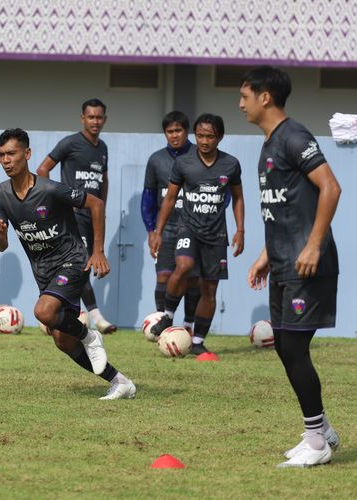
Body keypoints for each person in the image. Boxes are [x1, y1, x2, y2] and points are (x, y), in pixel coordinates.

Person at [240, 66, 341, 468]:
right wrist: (266, 256)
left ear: (266, 97)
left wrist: (314, 244)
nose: (240, 103)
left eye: (245, 95)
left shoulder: (295, 136)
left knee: (295, 347)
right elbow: (281, 207)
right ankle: (321, 430)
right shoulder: (269, 144)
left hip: (307, 265)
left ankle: (317, 443)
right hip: (282, 264)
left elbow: (331, 187)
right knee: (285, 346)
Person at [0, 128, 136, 400]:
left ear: (27, 154)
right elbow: (2, 246)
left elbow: (96, 204)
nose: (6, 160)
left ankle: (90, 335)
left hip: (73, 260)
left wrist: (98, 251)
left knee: (44, 312)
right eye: (1, 155)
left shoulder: (49, 188)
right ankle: (120, 381)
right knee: (62, 340)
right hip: (44, 273)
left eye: (12, 153)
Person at [149, 114, 245, 354]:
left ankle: (198, 342)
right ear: (195, 135)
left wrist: (240, 230)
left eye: (210, 136)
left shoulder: (230, 164)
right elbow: (170, 198)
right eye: (200, 136)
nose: (204, 141)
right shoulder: (183, 163)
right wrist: (157, 232)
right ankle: (168, 316)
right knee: (182, 266)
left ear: (220, 137)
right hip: (188, 228)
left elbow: (238, 197)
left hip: (216, 235)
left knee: (209, 290)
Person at [36, 98, 118, 334]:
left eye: (99, 117)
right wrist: (58, 200)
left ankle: (62, 313)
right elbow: (43, 169)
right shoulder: (70, 143)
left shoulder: (102, 148)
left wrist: (101, 209)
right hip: (73, 217)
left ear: (105, 119)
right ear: (82, 118)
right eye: (91, 117)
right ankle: (95, 317)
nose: (95, 121)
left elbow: (104, 179)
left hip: (92, 216)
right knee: (81, 262)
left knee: (85, 263)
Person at [142, 111, 201, 333]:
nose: (174, 135)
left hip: (195, 228)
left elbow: (219, 193)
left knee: (192, 278)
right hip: (166, 228)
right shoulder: (156, 160)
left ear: (187, 132)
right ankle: (164, 324)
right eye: (170, 131)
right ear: (164, 133)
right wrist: (151, 230)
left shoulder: (200, 155)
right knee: (164, 275)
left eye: (178, 130)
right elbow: (148, 197)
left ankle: (188, 326)